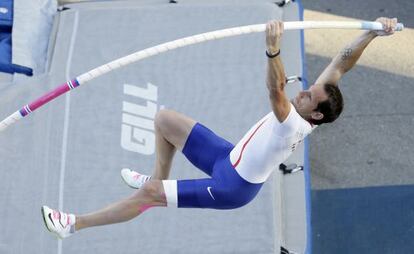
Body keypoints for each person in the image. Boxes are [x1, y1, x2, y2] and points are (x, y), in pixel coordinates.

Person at [41, 17, 398, 239]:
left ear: (315, 115)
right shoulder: (310, 106)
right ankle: (156, 180)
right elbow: (341, 62)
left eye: (308, 96)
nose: (303, 90)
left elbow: (274, 89)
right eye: (308, 90)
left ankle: (72, 225)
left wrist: (273, 51)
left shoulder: (293, 123)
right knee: (165, 119)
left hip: (231, 187)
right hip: (228, 157)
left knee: (149, 197)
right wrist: (373, 33)